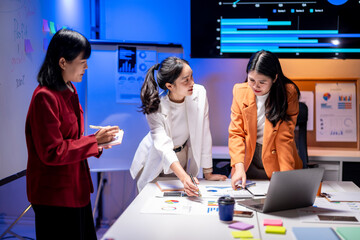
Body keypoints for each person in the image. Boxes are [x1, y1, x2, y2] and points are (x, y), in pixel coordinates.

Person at [25, 29, 119, 240]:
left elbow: (72, 139)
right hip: (55, 195)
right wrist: (93, 141)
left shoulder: (69, 88)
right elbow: (53, 152)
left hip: (75, 188)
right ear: (63, 62)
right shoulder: (44, 97)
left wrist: (99, 143)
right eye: (82, 61)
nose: (86, 66)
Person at [130, 57, 227, 196]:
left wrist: (208, 172)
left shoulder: (199, 94)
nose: (192, 82)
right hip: (156, 157)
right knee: (153, 202)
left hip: (181, 155)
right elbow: (163, 147)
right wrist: (184, 177)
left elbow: (204, 132)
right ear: (170, 86)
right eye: (186, 80)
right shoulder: (155, 107)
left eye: (192, 76)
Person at [228, 50, 303, 190]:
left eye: (262, 82)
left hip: (278, 160)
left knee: (280, 201)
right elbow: (236, 134)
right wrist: (238, 167)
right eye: (251, 80)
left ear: (274, 78)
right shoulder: (239, 91)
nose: (256, 86)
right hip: (249, 161)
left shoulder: (288, 93)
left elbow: (284, 138)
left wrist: (286, 176)